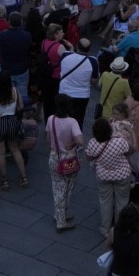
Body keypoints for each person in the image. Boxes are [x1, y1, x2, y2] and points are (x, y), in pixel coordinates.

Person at [86, 115, 135, 239]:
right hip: (122, 175)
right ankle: (120, 228)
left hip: (103, 175)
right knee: (122, 201)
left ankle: (105, 229)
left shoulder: (92, 143)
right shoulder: (120, 141)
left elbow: (89, 157)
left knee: (105, 201)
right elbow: (131, 151)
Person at [46, 99, 83, 231]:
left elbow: (48, 138)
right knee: (68, 189)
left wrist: (51, 152)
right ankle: (61, 221)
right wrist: (73, 143)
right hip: (70, 160)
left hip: (54, 156)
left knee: (57, 188)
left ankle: (60, 214)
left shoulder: (51, 119)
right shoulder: (72, 122)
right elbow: (81, 141)